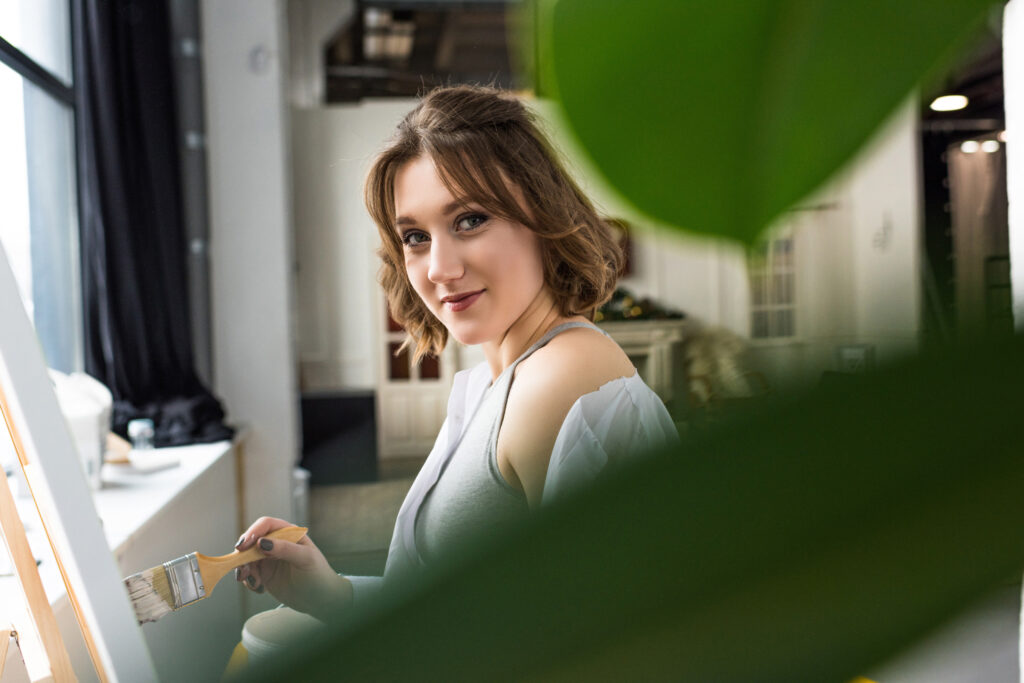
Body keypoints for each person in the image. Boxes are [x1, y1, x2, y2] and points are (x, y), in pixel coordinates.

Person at [233, 85, 678, 621]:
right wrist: (333, 594)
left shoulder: (562, 378)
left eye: (470, 220)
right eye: (416, 237)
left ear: (541, 213)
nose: (438, 268)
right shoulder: (499, 381)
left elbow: (617, 634)